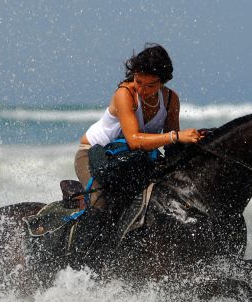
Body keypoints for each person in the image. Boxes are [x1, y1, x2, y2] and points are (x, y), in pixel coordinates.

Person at [75, 44, 205, 209]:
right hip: (94, 155)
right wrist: (176, 135)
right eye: (138, 81)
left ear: (162, 81)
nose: (142, 89)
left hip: (131, 159)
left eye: (150, 85)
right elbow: (134, 140)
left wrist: (196, 140)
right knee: (100, 204)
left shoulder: (171, 99)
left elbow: (173, 147)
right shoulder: (125, 94)